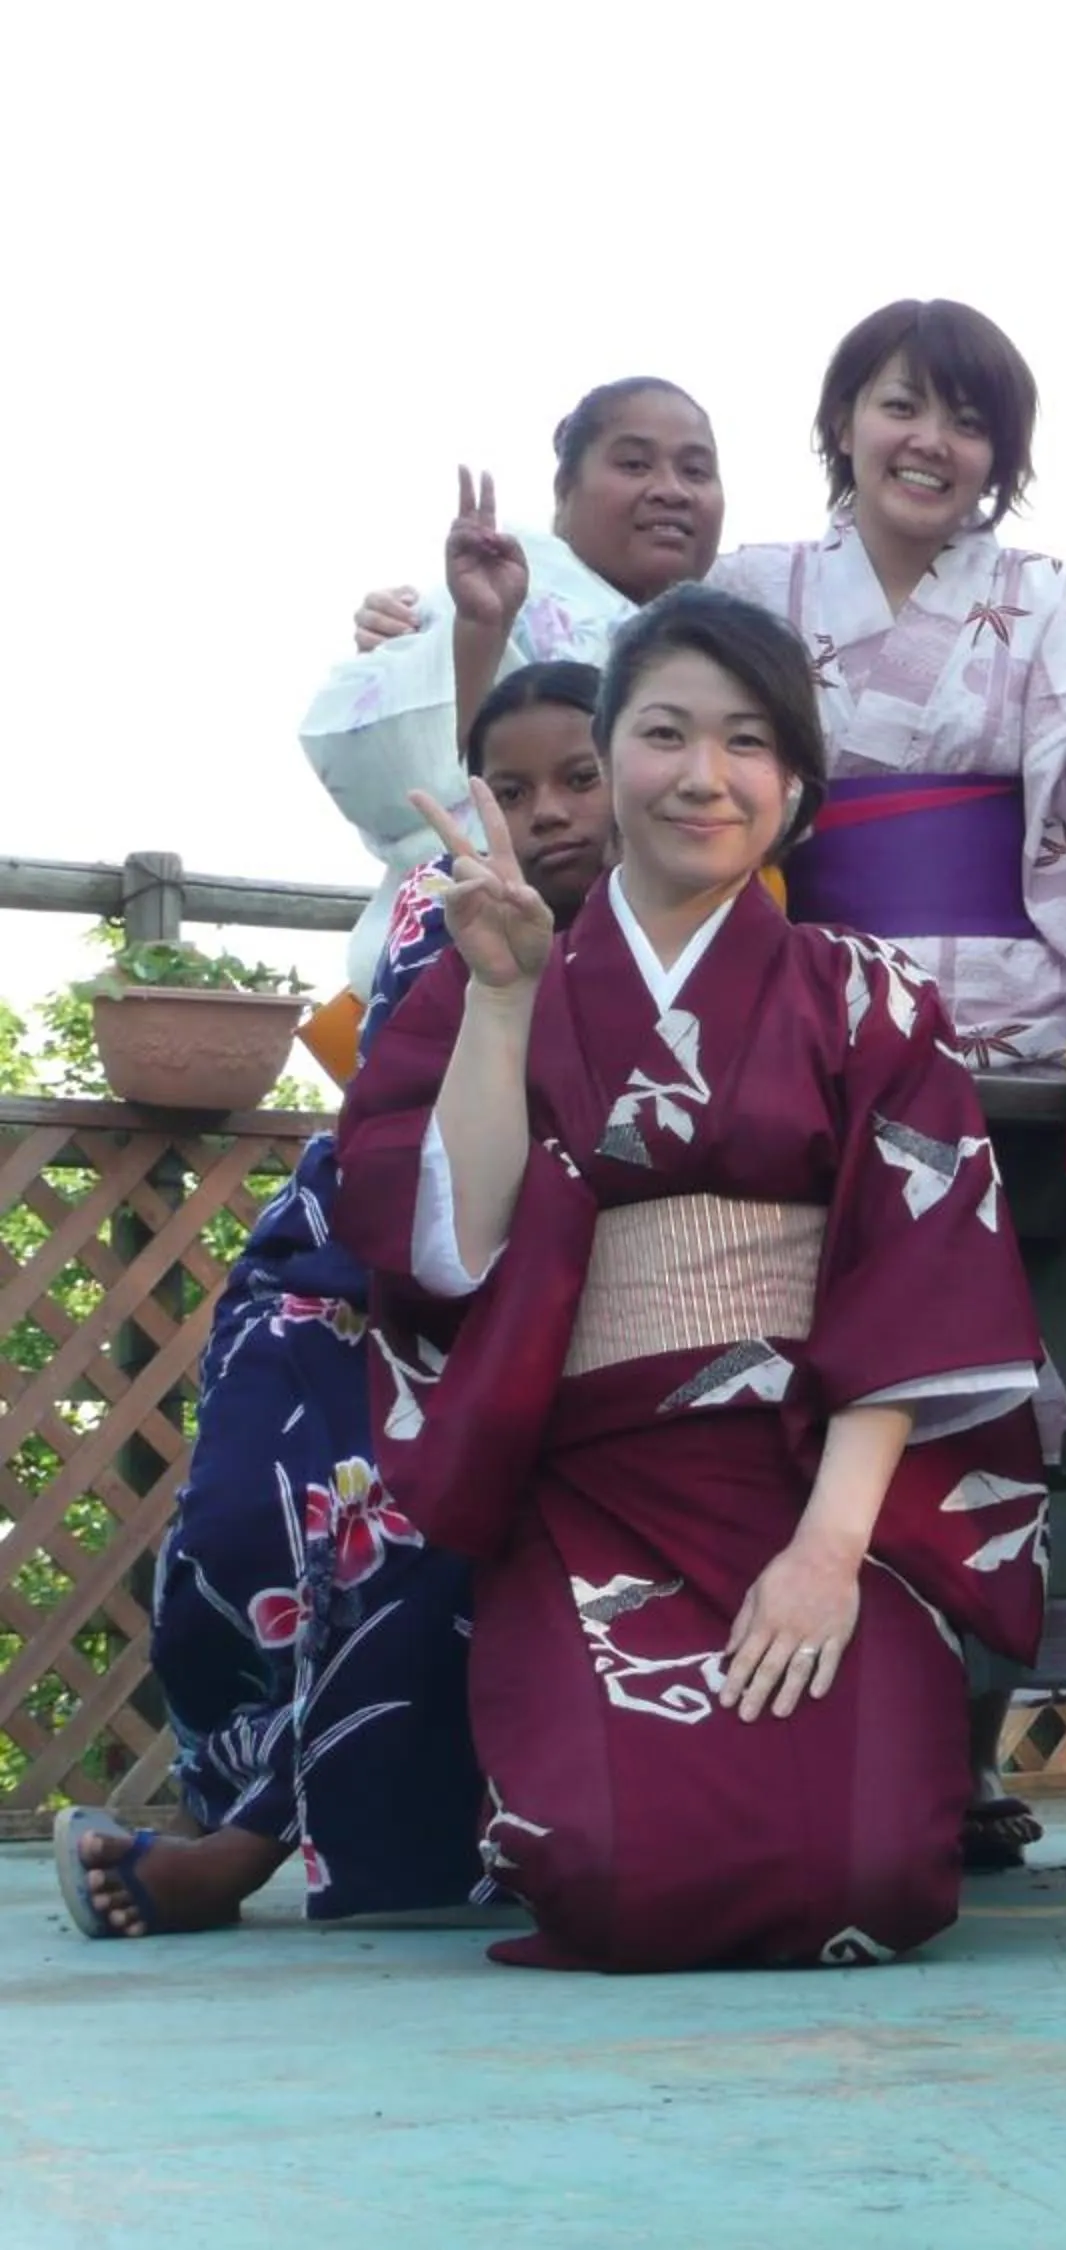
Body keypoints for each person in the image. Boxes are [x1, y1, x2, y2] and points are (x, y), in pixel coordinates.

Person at [334, 587, 1058, 1971]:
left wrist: (828, 1556)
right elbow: (450, 1250)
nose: (705, 776)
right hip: (585, 1481)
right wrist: (498, 1002)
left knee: (876, 1873)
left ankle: (847, 1643)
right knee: (609, 1869)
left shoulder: (869, 994)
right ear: (613, 761)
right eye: (665, 734)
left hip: (815, 1480)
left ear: (796, 787)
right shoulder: (496, 971)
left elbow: (918, 1285)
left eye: (748, 743)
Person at [60, 665, 616, 1939]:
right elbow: (399, 1128)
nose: (550, 813)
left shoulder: (683, 925)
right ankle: (240, 1812)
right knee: (239, 1522)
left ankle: (251, 1844)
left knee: (408, 1507)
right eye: (514, 788)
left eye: (579, 777)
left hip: (541, 1303)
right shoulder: (442, 906)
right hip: (348, 1270)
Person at [708, 297, 1066, 1070]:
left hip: (1010, 1011)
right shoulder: (750, 588)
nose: (931, 443)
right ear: (844, 423)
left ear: (999, 456)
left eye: (969, 425)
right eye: (901, 407)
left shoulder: (1046, 595)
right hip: (794, 995)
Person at [304, 379, 723, 1003]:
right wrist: (481, 633)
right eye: (634, 463)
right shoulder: (489, 588)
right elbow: (399, 770)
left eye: (696, 470)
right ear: (564, 490)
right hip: (479, 975)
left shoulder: (733, 631)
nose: (669, 489)